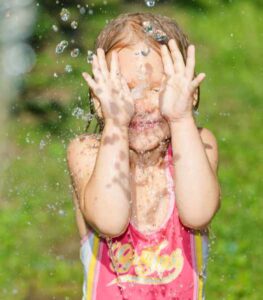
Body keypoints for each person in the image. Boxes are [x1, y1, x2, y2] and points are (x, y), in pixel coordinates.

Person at [66, 12, 221, 300]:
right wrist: (116, 124)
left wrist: (180, 118)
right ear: (99, 100)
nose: (141, 104)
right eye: (124, 89)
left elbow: (198, 214)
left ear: (190, 93)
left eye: (158, 89)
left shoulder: (197, 144)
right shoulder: (87, 153)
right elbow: (110, 221)